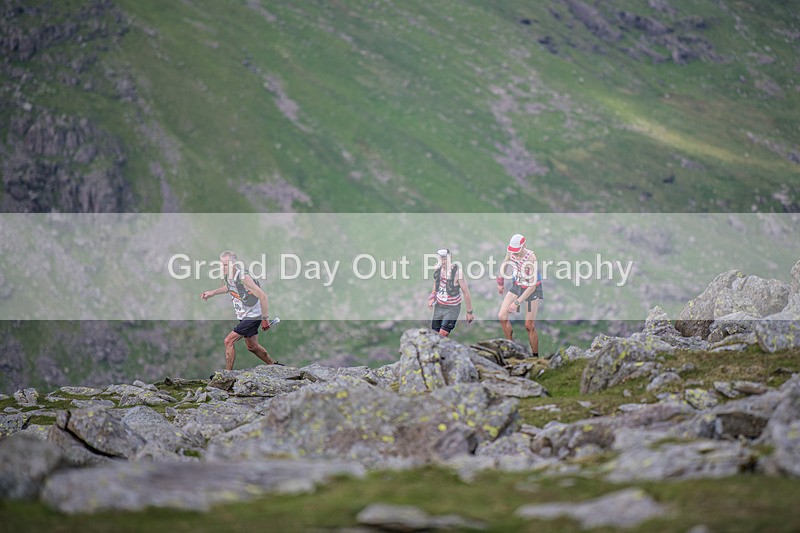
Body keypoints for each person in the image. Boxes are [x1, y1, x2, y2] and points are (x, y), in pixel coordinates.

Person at [200, 250, 280, 370]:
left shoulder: (243, 277)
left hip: (253, 316)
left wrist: (264, 319)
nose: (222, 267)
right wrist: (213, 293)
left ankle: (227, 375)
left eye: (225, 265)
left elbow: (263, 296)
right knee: (252, 347)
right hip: (245, 315)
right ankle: (274, 366)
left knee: (228, 341)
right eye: (221, 264)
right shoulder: (230, 276)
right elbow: (230, 287)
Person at [496, 234, 543, 356]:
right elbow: (505, 263)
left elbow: (532, 286)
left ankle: (535, 357)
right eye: (513, 250)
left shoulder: (531, 258)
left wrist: (516, 303)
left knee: (529, 325)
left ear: (524, 246)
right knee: (502, 316)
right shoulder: (511, 251)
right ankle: (511, 349)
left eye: (517, 251)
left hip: (532, 289)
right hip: (517, 285)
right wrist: (500, 281)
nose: (514, 253)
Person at [427, 248, 474, 337]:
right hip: (439, 305)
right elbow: (436, 282)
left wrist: (469, 312)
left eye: (445, 259)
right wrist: (432, 297)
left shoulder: (457, 273)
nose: (443, 262)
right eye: (441, 259)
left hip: (452, 308)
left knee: (442, 335)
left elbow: (466, 292)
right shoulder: (438, 268)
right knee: (434, 334)